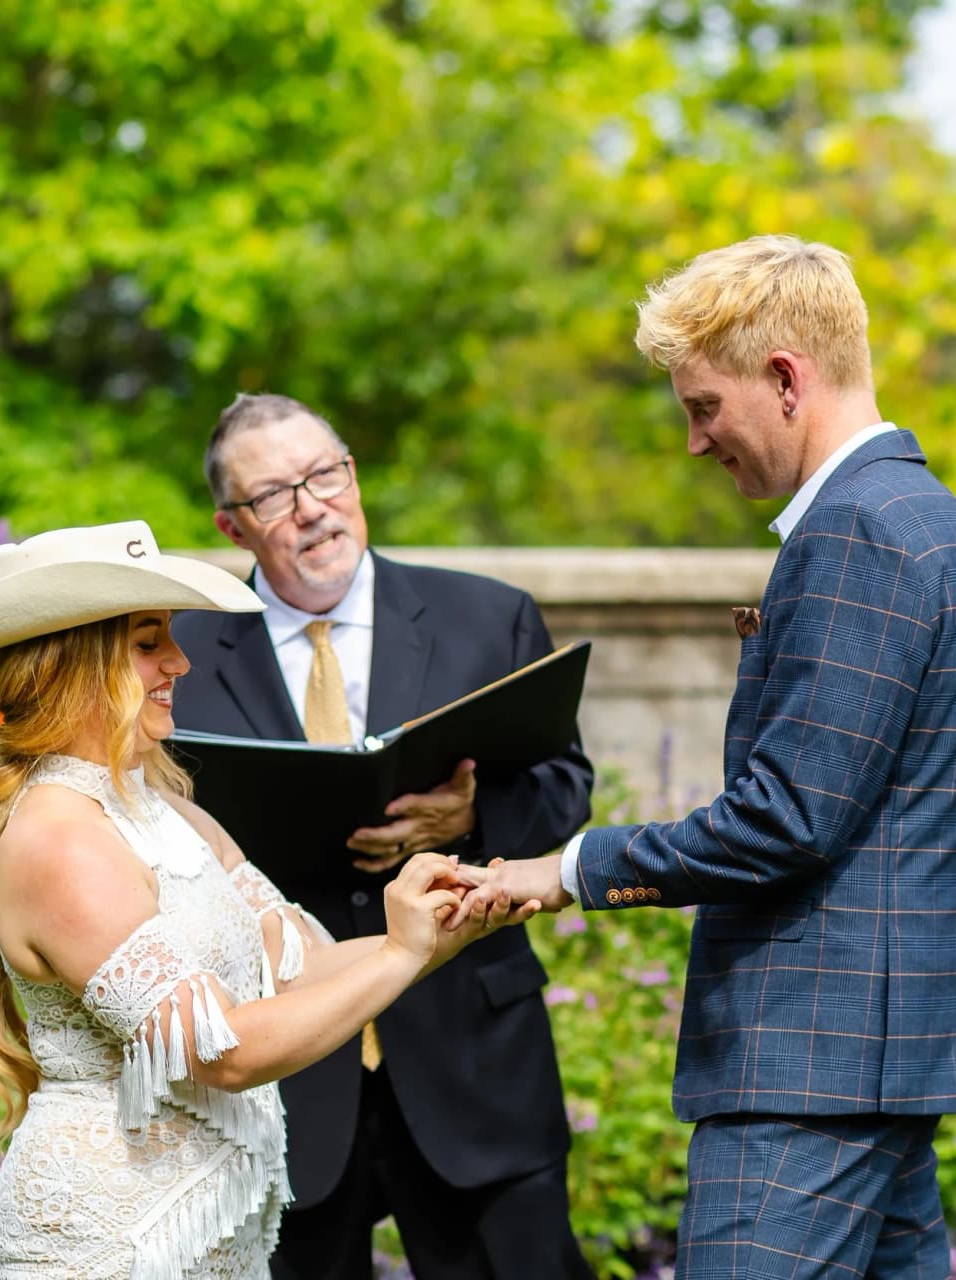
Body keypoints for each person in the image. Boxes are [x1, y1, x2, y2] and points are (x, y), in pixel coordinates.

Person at [453, 235, 956, 1279]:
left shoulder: (855, 531)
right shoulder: (948, 532)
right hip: (886, 1078)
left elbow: (786, 816)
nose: (693, 439)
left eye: (703, 405)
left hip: (799, 1085)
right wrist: (893, 973)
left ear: (785, 378)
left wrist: (569, 866)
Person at [0, 520, 539, 1280]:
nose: (180, 661)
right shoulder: (60, 836)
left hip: (213, 1231)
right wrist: (403, 953)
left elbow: (305, 969)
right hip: (114, 1238)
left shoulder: (165, 807)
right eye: (147, 643)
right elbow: (222, 1050)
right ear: (73, 663)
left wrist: (443, 929)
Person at [167, 394, 596, 1280]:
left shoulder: (489, 617)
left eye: (325, 474)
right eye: (276, 495)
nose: (313, 506)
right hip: (290, 1077)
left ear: (353, 475)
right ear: (232, 526)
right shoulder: (180, 658)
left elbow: (566, 787)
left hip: (474, 1057)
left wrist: (471, 819)